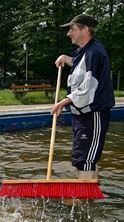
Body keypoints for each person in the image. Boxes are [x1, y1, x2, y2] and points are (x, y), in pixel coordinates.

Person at [53, 14, 115, 180]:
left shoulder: (94, 53)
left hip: (93, 113)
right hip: (83, 115)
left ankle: (84, 203)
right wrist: (67, 58)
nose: (68, 34)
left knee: (85, 159)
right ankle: (89, 198)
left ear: (86, 29)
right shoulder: (85, 51)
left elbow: (88, 89)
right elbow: (82, 67)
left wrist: (63, 102)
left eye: (72, 29)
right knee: (84, 157)